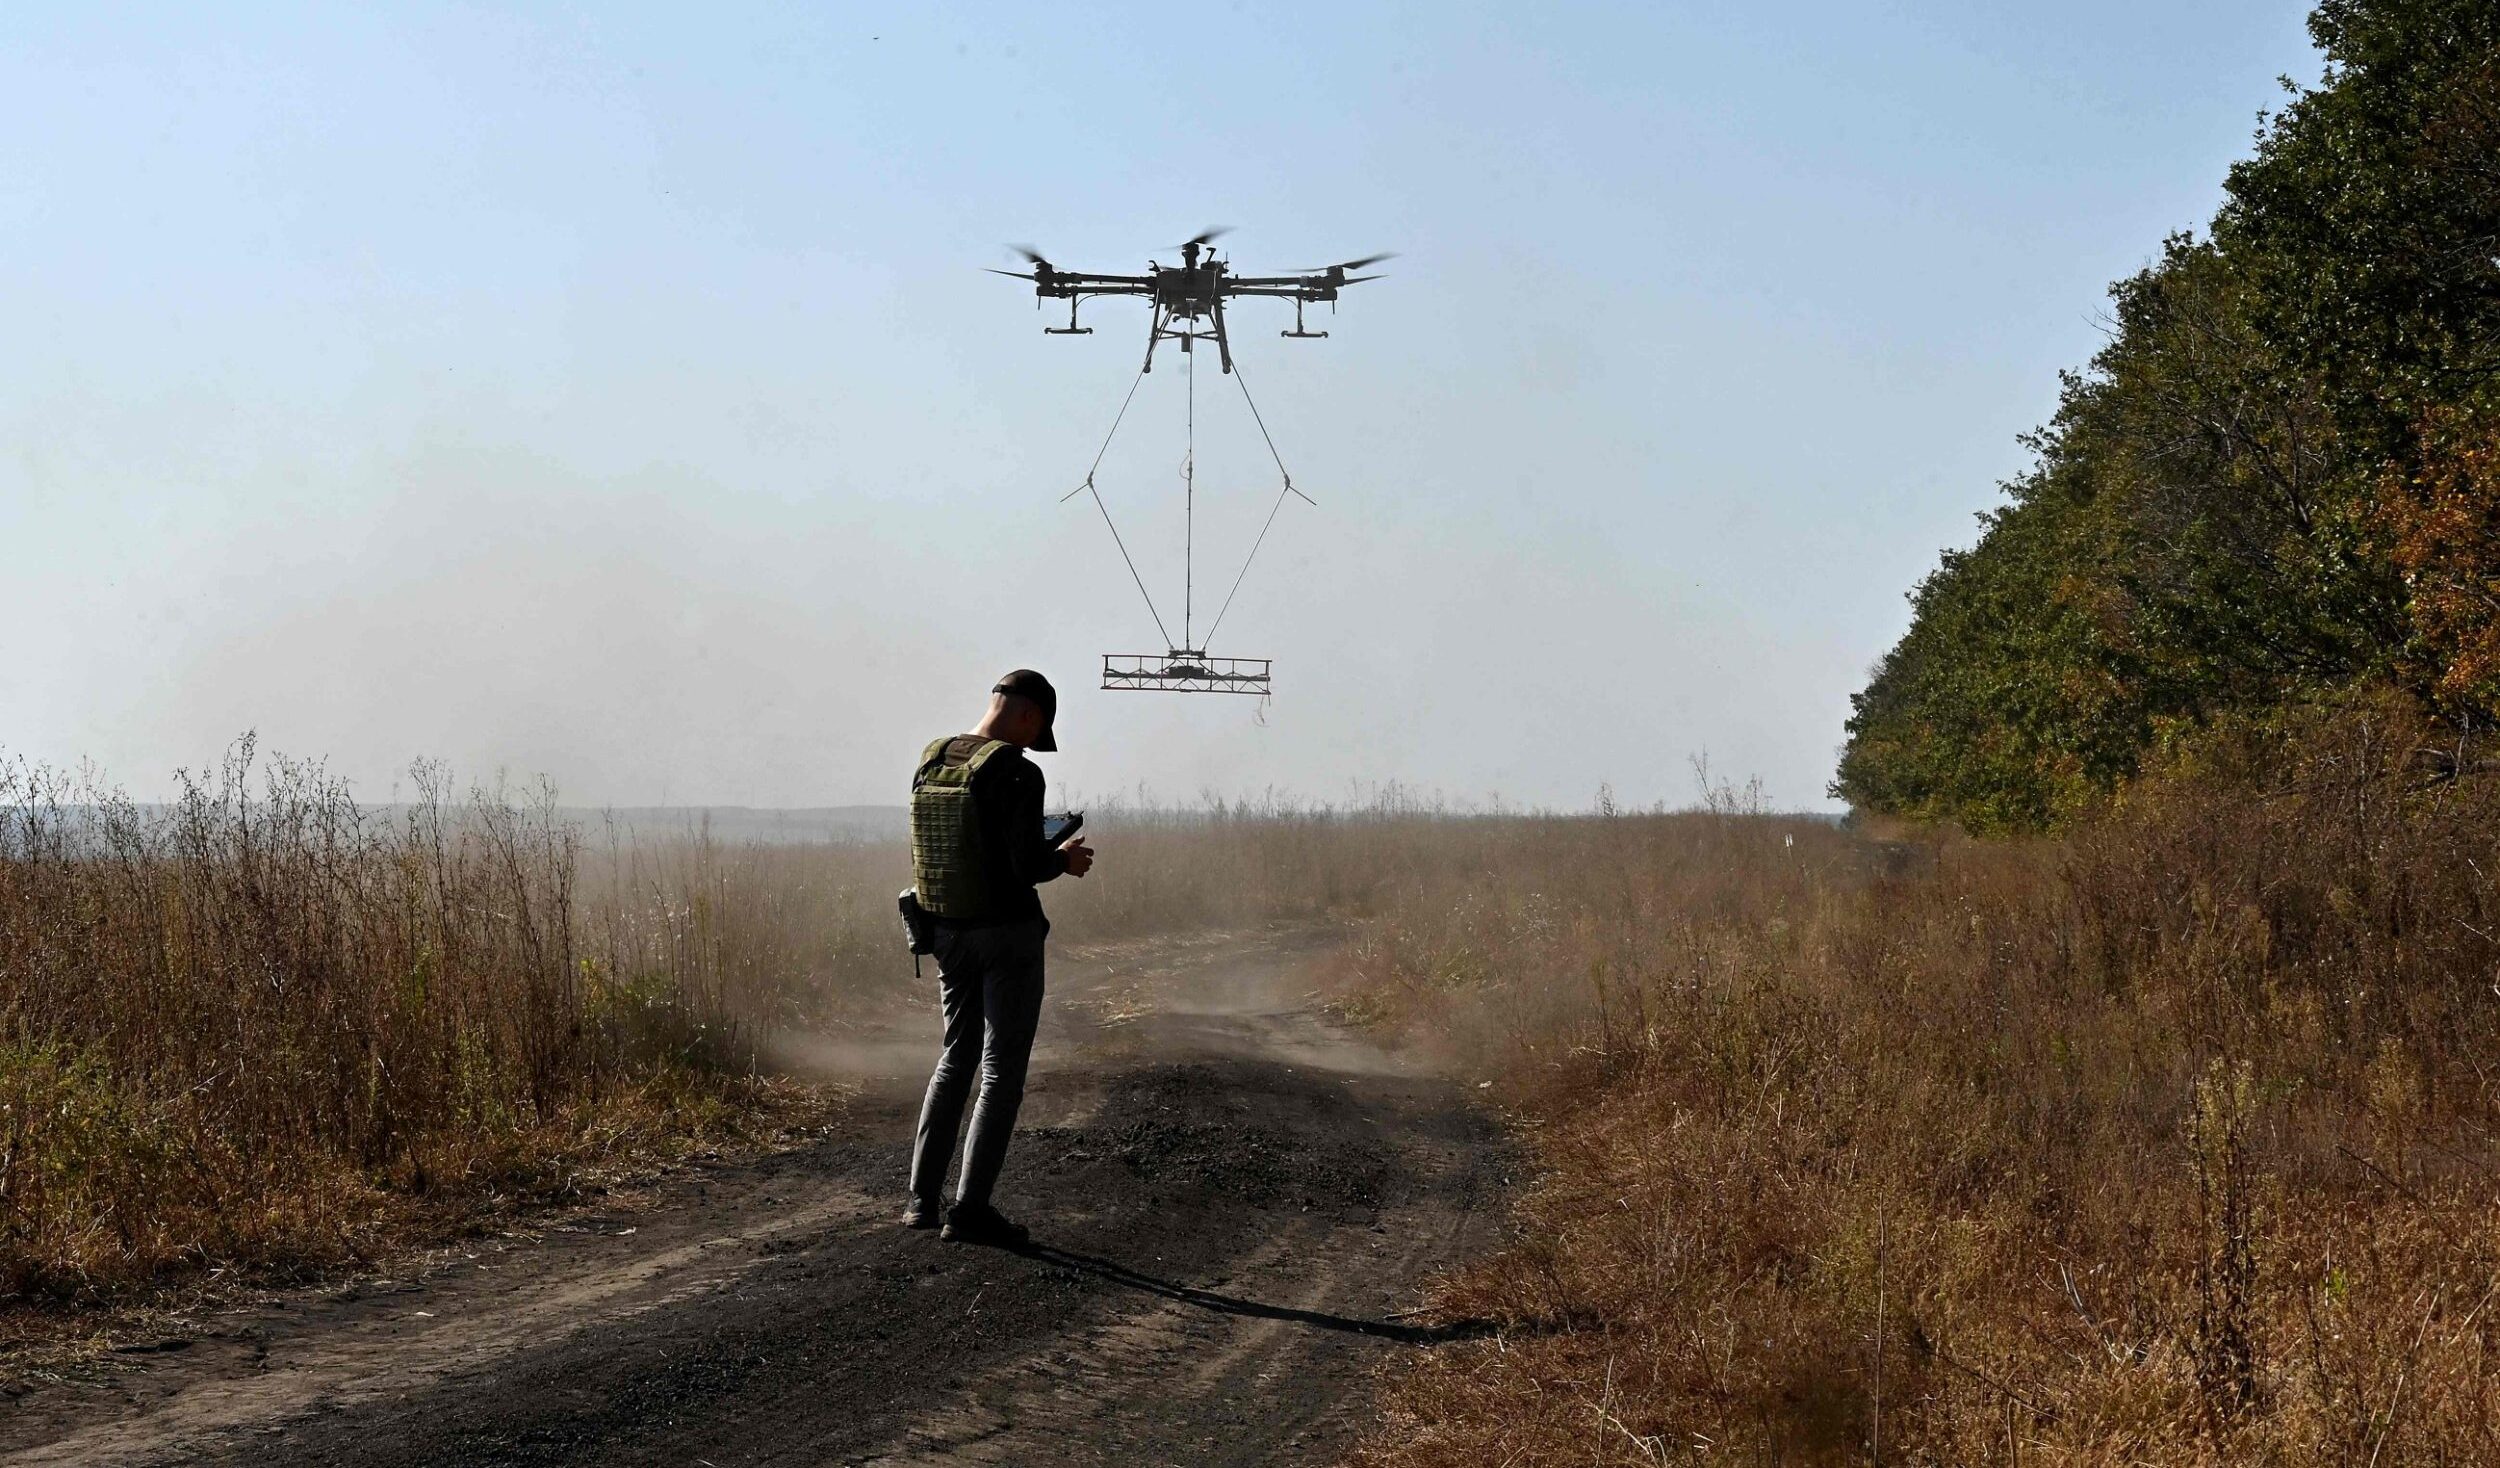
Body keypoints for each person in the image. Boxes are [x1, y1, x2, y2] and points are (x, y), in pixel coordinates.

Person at [903, 669, 1095, 1246]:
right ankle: (970, 1212)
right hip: (1006, 937)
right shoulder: (1017, 769)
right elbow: (1025, 867)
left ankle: (920, 1201)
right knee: (1000, 1073)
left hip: (947, 933)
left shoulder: (934, 758)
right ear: (1029, 715)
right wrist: (1063, 858)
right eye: (1038, 731)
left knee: (953, 1059)